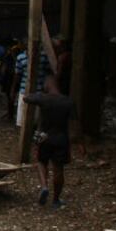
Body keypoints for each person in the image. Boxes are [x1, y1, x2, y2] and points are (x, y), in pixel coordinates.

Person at [24, 76, 73, 209]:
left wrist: (37, 94)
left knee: (41, 162)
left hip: (44, 137)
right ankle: (56, 200)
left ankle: (44, 186)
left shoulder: (43, 98)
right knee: (58, 168)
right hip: (61, 138)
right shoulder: (67, 101)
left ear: (48, 85)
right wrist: (80, 142)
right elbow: (75, 123)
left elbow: (26, 98)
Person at [15, 44, 52, 127]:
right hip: (24, 89)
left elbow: (48, 71)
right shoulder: (21, 57)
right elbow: (18, 74)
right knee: (22, 118)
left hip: (39, 90)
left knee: (36, 117)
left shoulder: (43, 56)